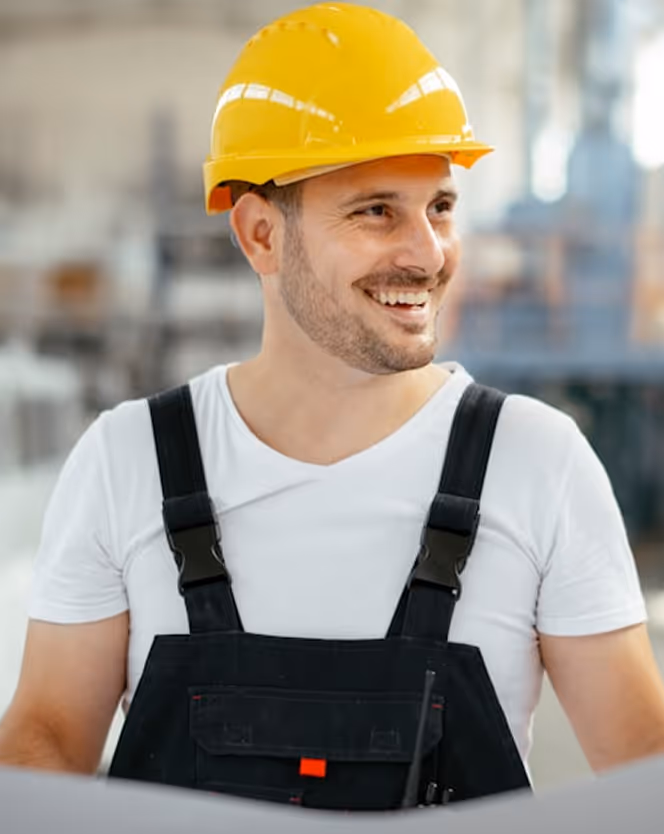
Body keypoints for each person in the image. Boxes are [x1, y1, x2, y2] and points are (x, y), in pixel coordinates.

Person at [2, 1, 664, 809]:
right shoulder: (126, 462)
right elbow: (46, 745)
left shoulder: (537, 464)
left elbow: (646, 782)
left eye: (441, 207)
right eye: (375, 210)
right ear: (260, 236)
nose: (427, 253)